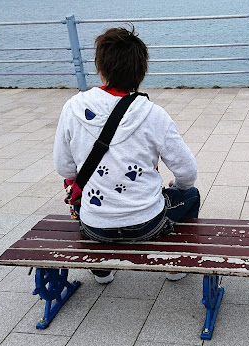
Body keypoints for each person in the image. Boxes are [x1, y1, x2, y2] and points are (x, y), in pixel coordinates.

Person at [53, 26, 200, 284]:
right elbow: (187, 173)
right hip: (146, 223)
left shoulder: (73, 107)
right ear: (141, 72)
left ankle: (101, 270)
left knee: (89, 200)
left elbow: (65, 170)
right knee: (190, 195)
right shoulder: (154, 115)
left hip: (94, 226)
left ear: (100, 67)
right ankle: (175, 265)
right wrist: (177, 186)